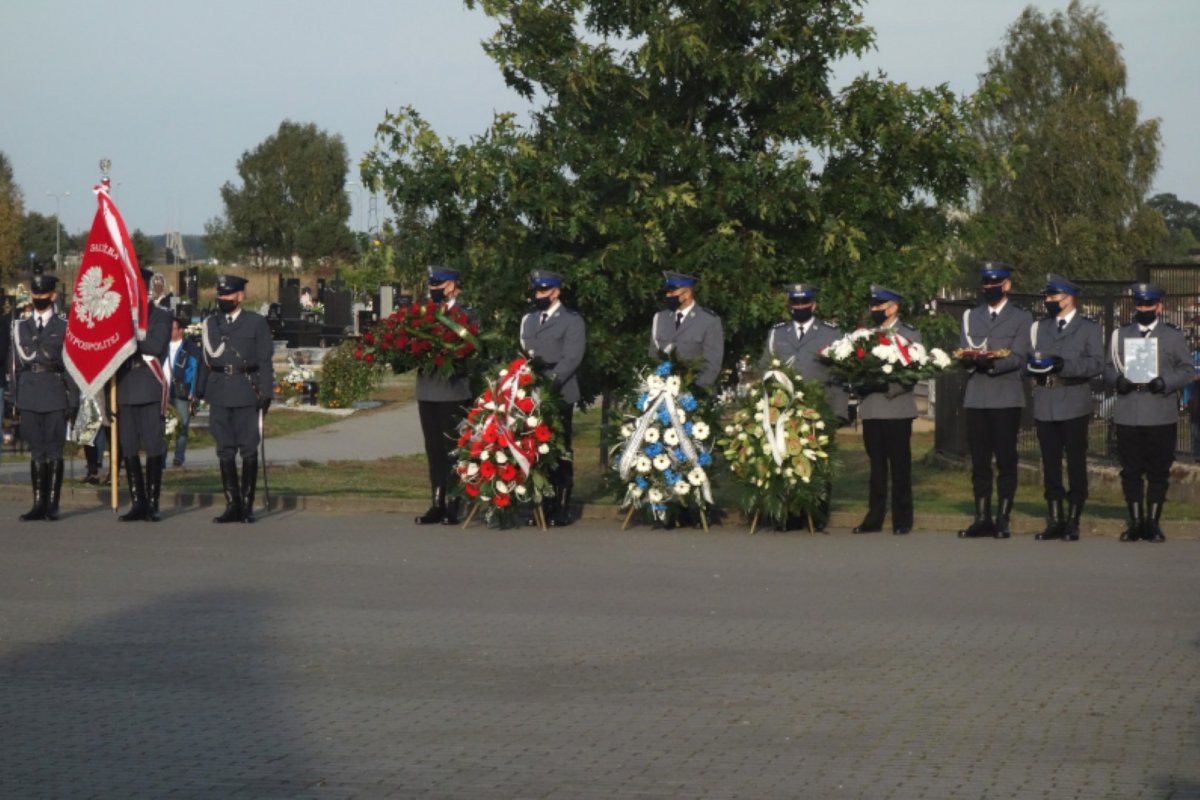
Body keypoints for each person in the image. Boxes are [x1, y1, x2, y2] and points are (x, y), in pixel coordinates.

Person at [1103, 283, 1194, 542]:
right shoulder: (1120, 335)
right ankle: (1135, 522)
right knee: (1130, 470)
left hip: (1160, 412)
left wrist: (1165, 382)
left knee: (1158, 470)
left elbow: (1187, 370)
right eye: (1139, 305)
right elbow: (1107, 367)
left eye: (1148, 305)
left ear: (1159, 307)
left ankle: (1152, 523)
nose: (1143, 309)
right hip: (1128, 411)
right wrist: (1117, 380)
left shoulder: (1172, 336)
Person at [956, 262, 1034, 539]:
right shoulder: (970, 316)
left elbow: (1019, 356)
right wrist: (969, 360)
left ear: (1006, 285)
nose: (989, 289)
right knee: (979, 462)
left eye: (995, 284)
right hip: (976, 397)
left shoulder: (1021, 318)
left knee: (1005, 460)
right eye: (985, 284)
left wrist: (991, 364)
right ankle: (981, 517)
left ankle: (1002, 516)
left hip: (1005, 396)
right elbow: (964, 349)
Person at [760, 282, 846, 531]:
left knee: (818, 461)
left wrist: (839, 410)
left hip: (820, 408)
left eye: (804, 303)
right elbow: (765, 365)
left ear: (813, 304)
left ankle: (817, 515)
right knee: (784, 459)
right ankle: (787, 515)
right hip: (783, 407)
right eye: (795, 303)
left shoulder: (831, 333)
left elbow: (839, 375)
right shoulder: (777, 332)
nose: (799, 307)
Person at [1024, 273, 1103, 541]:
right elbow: (1030, 357)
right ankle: (1055, 518)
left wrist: (1063, 365)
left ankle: (1073, 519)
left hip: (1073, 401)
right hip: (1045, 401)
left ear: (1069, 298)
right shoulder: (1040, 327)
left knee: (1076, 463)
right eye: (1047, 297)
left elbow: (1095, 365)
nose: (1048, 301)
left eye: (1053, 297)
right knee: (1050, 463)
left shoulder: (1088, 328)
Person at [196, 274, 274, 523]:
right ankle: (232, 504)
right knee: (224, 450)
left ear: (240, 296)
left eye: (228, 295)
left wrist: (266, 392)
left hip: (245, 390)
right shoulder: (211, 324)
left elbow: (264, 361)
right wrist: (198, 391)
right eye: (220, 295)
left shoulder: (256, 323)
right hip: (219, 391)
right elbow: (204, 361)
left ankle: (247, 505)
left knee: (249, 448)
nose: (223, 300)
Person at [853, 284, 922, 536]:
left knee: (900, 467)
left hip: (897, 408)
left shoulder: (909, 334)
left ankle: (902, 518)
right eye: (872, 306)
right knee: (877, 469)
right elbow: (855, 365)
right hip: (872, 408)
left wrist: (885, 385)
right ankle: (874, 518)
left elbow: (912, 373)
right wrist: (860, 383)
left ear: (893, 308)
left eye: (879, 306)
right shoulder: (865, 335)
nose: (874, 310)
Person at [520, 269, 586, 527]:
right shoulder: (530, 319)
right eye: (536, 291)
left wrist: (550, 383)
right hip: (532, 392)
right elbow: (526, 352)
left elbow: (572, 357)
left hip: (559, 391)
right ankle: (540, 504)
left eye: (544, 291)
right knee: (535, 449)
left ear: (556, 292)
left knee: (559, 449)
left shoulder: (572, 320)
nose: (539, 296)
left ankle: (561, 505)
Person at [415, 266, 478, 526]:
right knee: (433, 450)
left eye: (438, 285)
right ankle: (437, 502)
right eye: (432, 285)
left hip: (453, 391)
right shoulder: (423, 314)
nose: (433, 290)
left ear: (451, 286)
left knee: (453, 449)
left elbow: (472, 351)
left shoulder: (466, 315)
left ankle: (455, 502)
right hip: (427, 390)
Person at [12, 275, 78, 521]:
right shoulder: (20, 326)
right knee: (36, 451)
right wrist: (15, 398)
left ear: (53, 296)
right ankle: (38, 504)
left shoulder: (64, 326)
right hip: (29, 392)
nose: (38, 299)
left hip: (54, 391)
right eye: (35, 295)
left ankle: (53, 504)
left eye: (43, 295)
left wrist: (74, 400)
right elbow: (15, 365)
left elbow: (71, 365)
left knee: (54, 450)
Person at [114, 268, 173, 522]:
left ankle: (152, 502)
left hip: (148, 384)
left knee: (152, 447)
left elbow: (154, 346)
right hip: (125, 385)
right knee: (128, 447)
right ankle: (137, 502)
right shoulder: (118, 317)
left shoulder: (160, 316)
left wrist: (128, 333)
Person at [650, 272, 724, 391]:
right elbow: (653, 358)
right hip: (662, 395)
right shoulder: (660, 318)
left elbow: (712, 365)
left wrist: (690, 392)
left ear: (687, 293)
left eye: (672, 292)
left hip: (694, 397)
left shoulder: (709, 321)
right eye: (667, 292)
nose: (668, 295)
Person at [166, 315, 202, 467]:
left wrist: (192, 392)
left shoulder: (190, 348)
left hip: (181, 391)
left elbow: (194, 371)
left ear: (180, 330)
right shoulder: (161, 346)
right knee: (163, 427)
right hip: (163, 391)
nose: (169, 331)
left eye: (172, 328)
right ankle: (160, 458)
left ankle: (178, 457)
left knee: (182, 425)